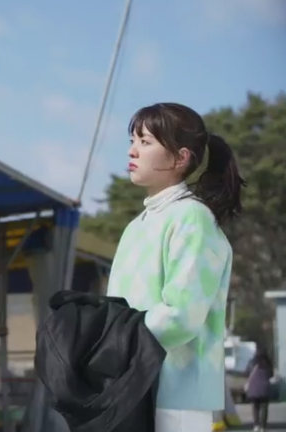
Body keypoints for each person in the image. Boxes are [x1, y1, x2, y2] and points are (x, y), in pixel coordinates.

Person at [106, 102, 245, 432]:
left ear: (180, 158)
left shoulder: (192, 218)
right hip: (133, 388)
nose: (132, 151)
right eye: (132, 140)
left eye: (145, 142)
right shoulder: (137, 225)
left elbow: (183, 315)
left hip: (177, 396)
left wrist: (115, 340)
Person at [246, 347, 274, 431]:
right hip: (264, 388)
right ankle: (263, 426)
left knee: (255, 407)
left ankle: (256, 425)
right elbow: (271, 374)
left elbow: (247, 372)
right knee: (264, 407)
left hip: (253, 388)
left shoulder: (251, 362)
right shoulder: (268, 363)